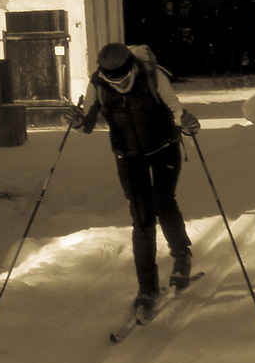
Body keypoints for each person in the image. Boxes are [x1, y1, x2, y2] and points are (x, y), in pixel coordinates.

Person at [68, 41, 199, 318]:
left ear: (131, 67)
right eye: (109, 76)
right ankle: (147, 288)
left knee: (163, 201)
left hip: (164, 147)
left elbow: (174, 108)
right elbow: (87, 124)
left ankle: (181, 255)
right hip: (128, 156)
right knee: (141, 218)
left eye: (120, 75)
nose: (116, 81)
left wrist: (186, 124)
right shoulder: (98, 84)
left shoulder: (152, 76)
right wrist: (77, 122)